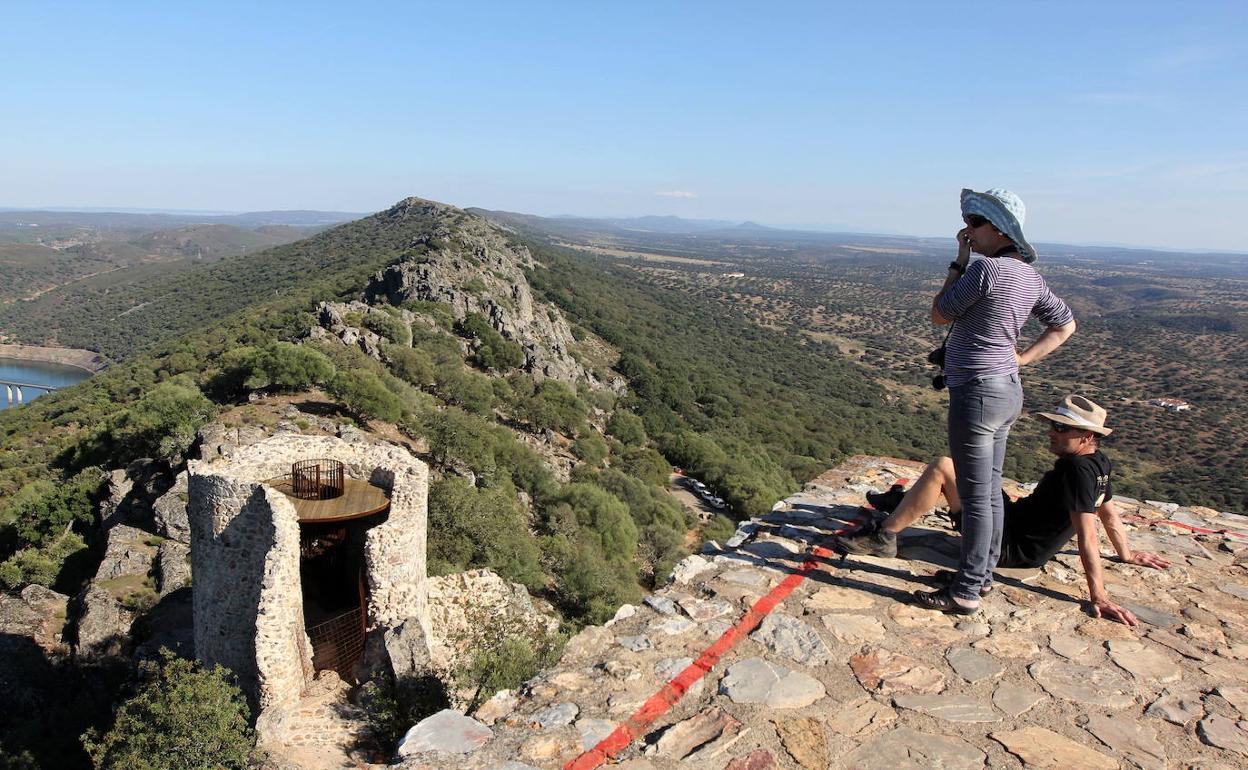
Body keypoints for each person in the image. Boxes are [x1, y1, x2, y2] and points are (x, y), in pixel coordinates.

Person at [834, 395, 1170, 625]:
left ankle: (887, 535)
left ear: (1086, 435)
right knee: (977, 475)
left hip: (1007, 545)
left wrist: (1098, 595)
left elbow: (1087, 535)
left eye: (1061, 428)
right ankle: (902, 504)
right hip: (1014, 526)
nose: (1051, 433)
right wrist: (1126, 554)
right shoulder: (1098, 463)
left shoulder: (1075, 472)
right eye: (1053, 425)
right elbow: (1108, 511)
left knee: (943, 467)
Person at [921, 188, 1077, 614]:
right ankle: (980, 575)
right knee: (988, 490)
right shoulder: (1030, 277)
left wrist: (959, 261)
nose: (967, 232)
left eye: (974, 224)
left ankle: (966, 590)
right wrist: (1022, 359)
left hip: (976, 391)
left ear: (998, 228)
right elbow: (1065, 326)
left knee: (976, 495)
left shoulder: (986, 270)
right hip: (1007, 390)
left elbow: (940, 313)